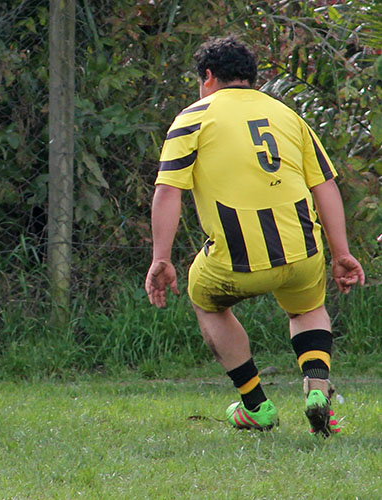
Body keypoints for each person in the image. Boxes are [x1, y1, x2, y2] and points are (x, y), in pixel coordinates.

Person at [144, 36, 364, 436]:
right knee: (307, 309)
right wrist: (341, 253)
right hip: (302, 253)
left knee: (205, 300)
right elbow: (325, 185)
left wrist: (162, 258)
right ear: (250, 78)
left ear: (208, 77)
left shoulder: (192, 118)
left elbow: (168, 191)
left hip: (235, 261)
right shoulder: (286, 115)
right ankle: (317, 391)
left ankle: (255, 405)